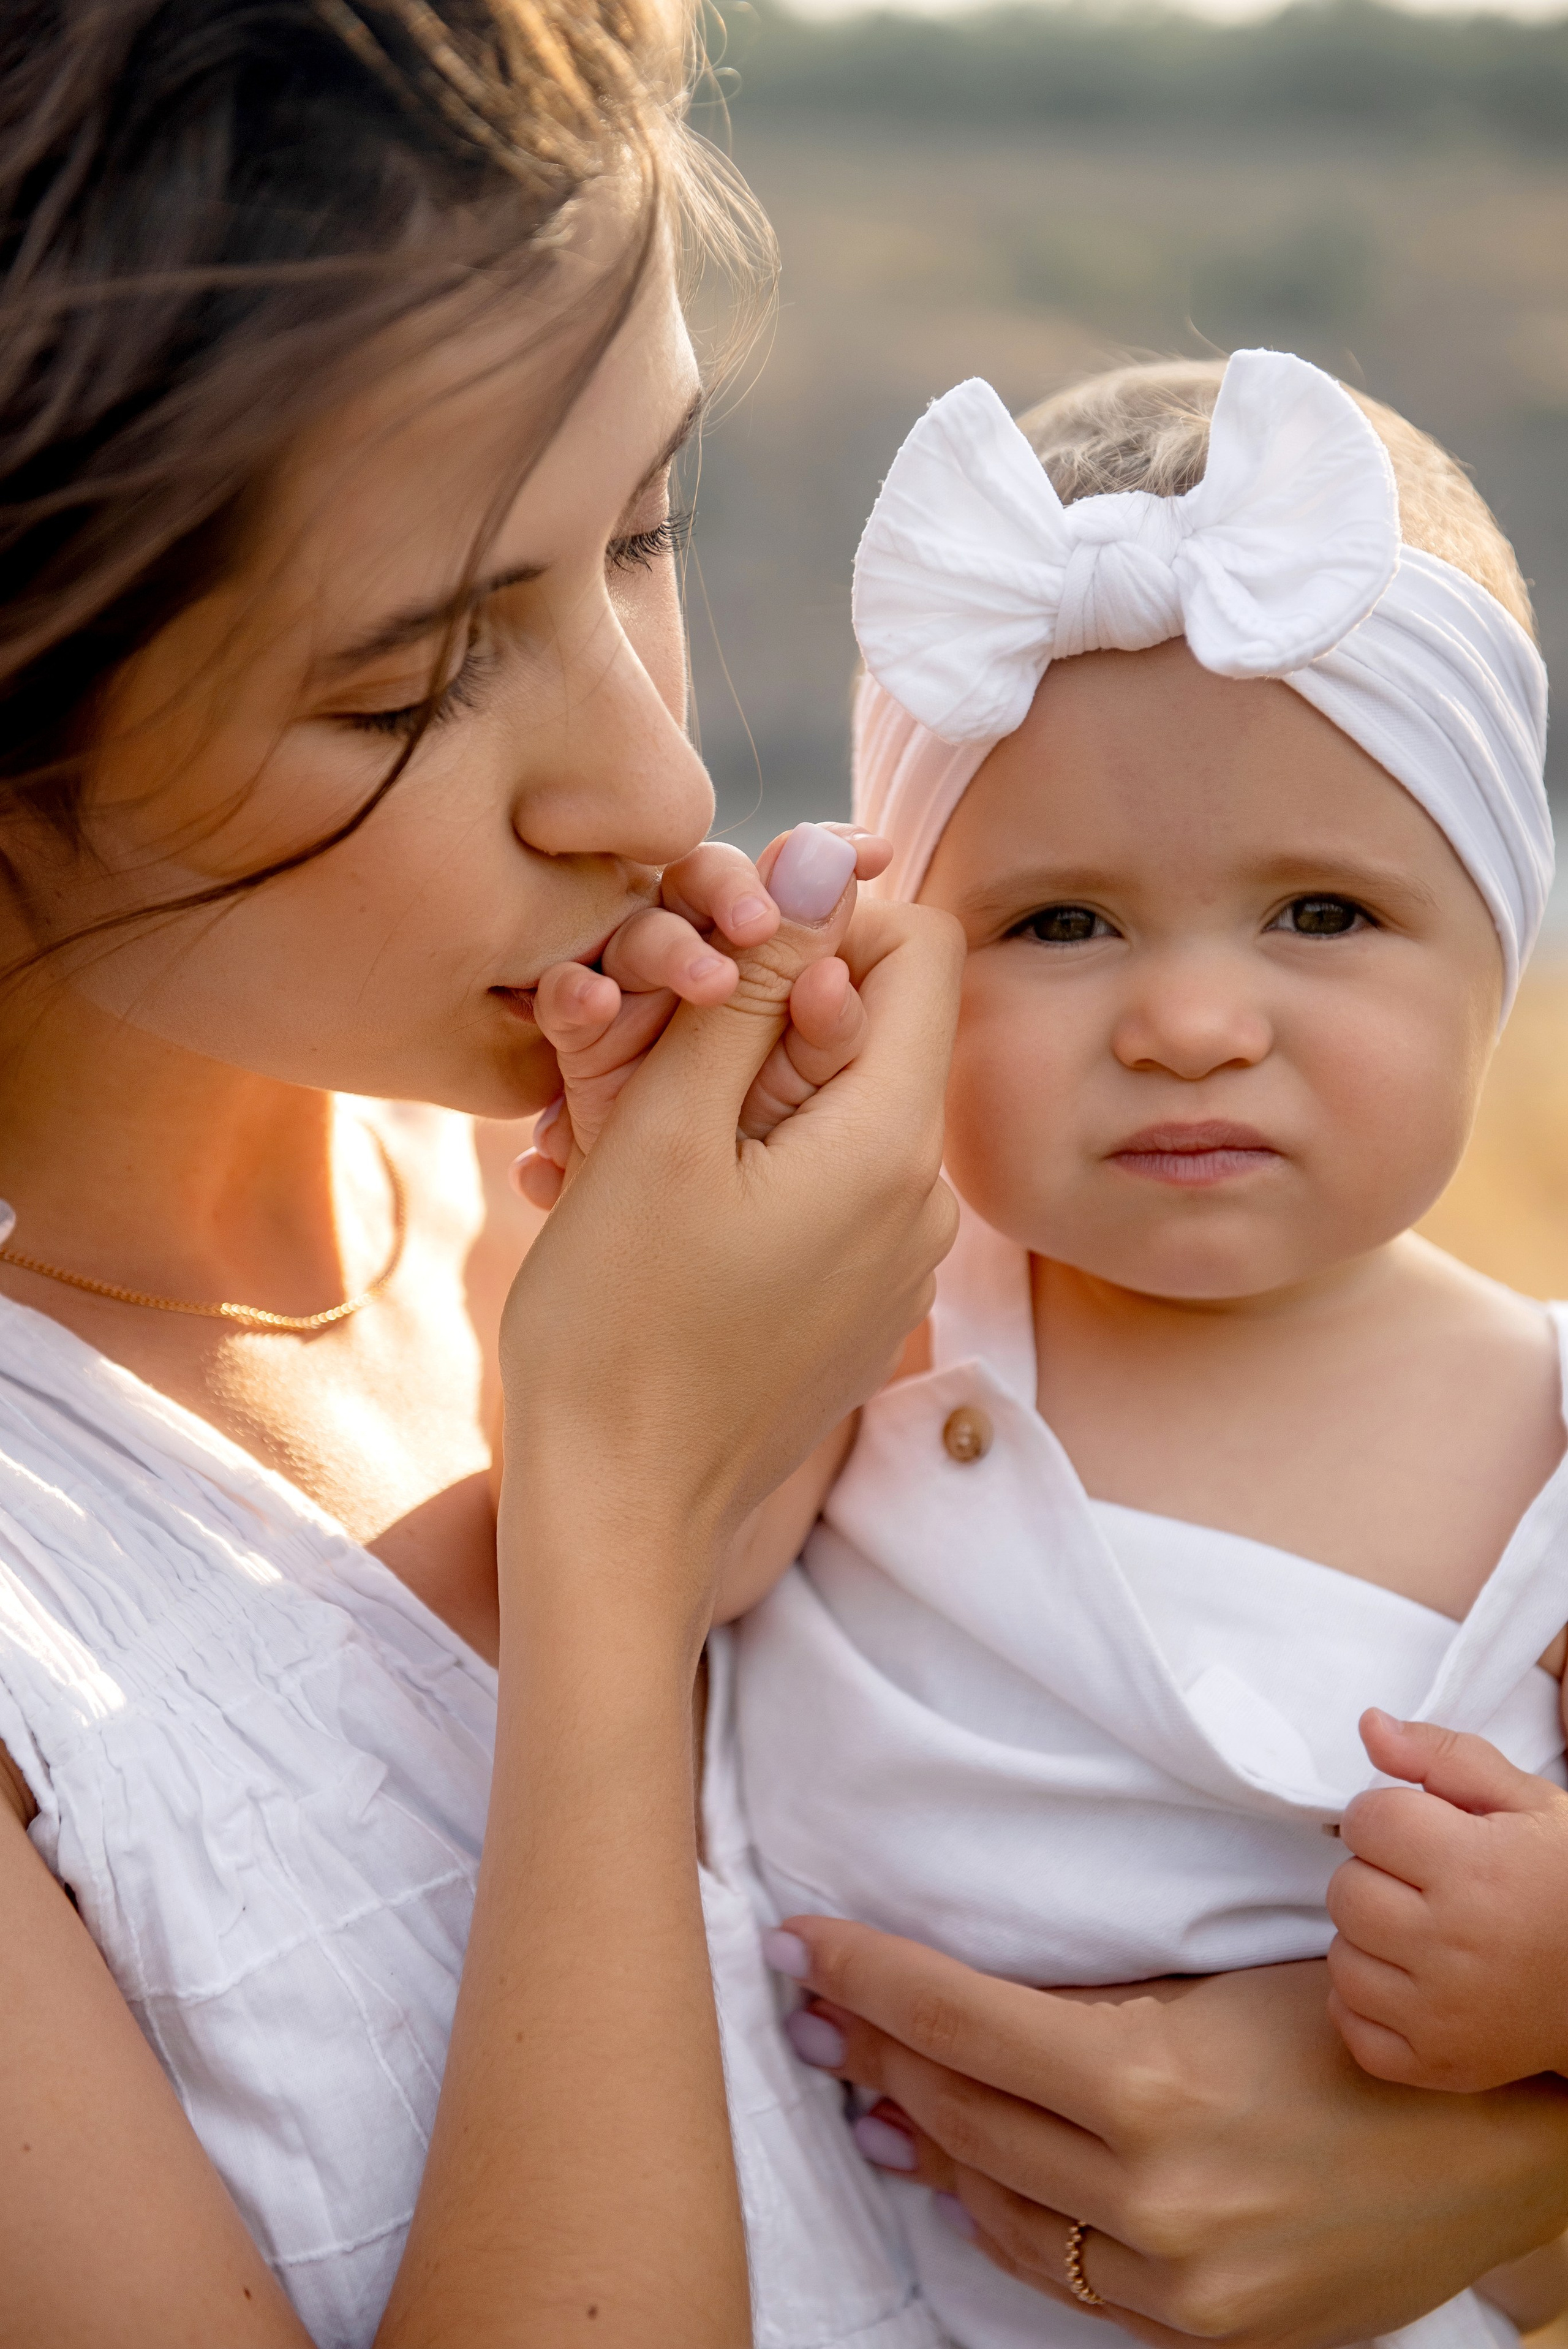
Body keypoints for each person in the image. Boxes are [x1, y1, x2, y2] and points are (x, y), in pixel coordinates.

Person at [0, 7, 962, 2345]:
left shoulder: (685, 1207)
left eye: (641, 526)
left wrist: (1443, 2153)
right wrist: (618, 1523)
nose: (648, 779)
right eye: (413, 681)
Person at [714, 349, 1568, 2348]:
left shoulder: (1549, 1426)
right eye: (1064, 924)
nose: (1190, 1019)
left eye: (1323, 912)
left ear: (1500, 950)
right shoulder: (875, 1337)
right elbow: (663, 1564)